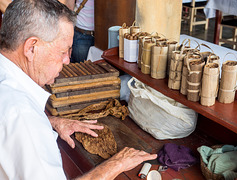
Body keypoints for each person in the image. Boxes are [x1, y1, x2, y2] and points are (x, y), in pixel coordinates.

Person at [0, 0, 157, 180]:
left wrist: (50, 121)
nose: (67, 60)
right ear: (31, 47)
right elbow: (18, 121)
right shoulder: (23, 118)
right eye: (63, 51)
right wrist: (117, 164)